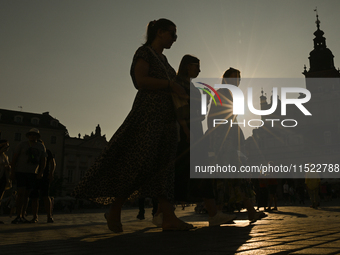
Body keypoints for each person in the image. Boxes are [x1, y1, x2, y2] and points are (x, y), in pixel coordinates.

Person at [72, 18, 194, 232]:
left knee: (164, 169)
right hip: (147, 115)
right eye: (172, 34)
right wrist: (169, 85)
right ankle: (115, 209)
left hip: (167, 121)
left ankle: (168, 217)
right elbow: (140, 81)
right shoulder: (144, 53)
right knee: (138, 163)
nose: (175, 39)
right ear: (160, 32)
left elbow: (175, 90)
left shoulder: (165, 62)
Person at [171, 55, 236, 226]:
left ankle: (214, 214)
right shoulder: (178, 83)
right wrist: (185, 129)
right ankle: (164, 213)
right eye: (196, 66)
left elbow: (200, 111)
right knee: (181, 172)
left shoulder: (192, 86)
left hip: (196, 130)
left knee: (200, 171)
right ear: (187, 66)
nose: (199, 70)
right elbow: (178, 108)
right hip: (187, 132)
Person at [207, 68, 265, 222]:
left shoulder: (231, 95)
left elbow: (232, 118)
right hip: (222, 141)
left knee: (237, 175)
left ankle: (250, 211)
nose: (237, 81)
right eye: (234, 78)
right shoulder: (220, 93)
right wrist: (214, 139)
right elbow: (211, 116)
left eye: (238, 79)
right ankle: (217, 214)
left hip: (230, 140)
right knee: (225, 175)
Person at [10, 128, 46, 224]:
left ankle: (22, 214)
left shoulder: (41, 146)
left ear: (37, 137)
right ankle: (18, 215)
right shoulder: (22, 144)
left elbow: (43, 160)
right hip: (21, 171)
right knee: (20, 193)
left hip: (32, 172)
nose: (32, 136)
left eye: (34, 135)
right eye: (30, 135)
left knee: (26, 195)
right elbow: (15, 158)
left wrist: (41, 171)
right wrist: (12, 171)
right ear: (28, 136)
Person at [29, 139, 55, 223]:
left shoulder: (47, 151)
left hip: (44, 175)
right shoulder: (32, 152)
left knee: (45, 196)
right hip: (34, 175)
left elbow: (52, 163)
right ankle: (35, 216)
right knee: (34, 197)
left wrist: (51, 173)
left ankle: (49, 216)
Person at [0, 139, 11, 224]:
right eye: (5, 146)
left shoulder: (5, 156)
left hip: (3, 178)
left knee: (0, 198)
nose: (7, 148)